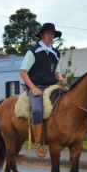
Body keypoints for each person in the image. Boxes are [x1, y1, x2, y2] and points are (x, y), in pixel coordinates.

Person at [20, 23, 66, 158]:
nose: (51, 36)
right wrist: (33, 88)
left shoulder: (56, 53)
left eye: (52, 34)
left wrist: (61, 79)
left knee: (66, 102)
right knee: (37, 110)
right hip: (36, 87)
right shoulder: (33, 51)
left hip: (52, 87)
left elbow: (56, 72)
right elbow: (23, 71)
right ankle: (39, 144)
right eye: (48, 33)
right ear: (42, 35)